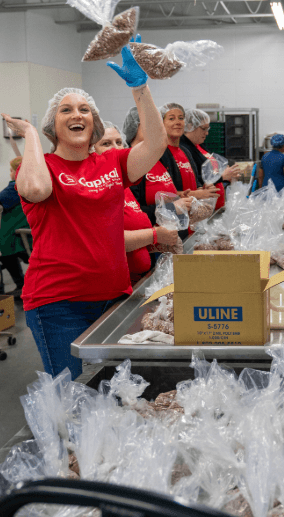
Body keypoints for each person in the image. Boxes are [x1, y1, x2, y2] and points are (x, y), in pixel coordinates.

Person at [1, 46, 167, 379]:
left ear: (95, 124)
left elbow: (155, 144)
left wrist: (141, 89)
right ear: (53, 126)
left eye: (84, 110)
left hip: (114, 298)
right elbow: (36, 191)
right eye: (65, 110)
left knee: (113, 392)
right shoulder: (42, 167)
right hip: (58, 304)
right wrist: (31, 133)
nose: (77, 114)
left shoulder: (112, 162)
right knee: (74, 397)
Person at [94, 122, 179, 285]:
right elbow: (110, 239)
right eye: (106, 143)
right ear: (91, 150)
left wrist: (157, 244)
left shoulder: (122, 185)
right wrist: (155, 235)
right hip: (112, 285)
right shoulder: (96, 189)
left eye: (119, 142)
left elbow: (134, 227)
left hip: (138, 280)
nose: (116, 148)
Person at [123, 106, 195, 229]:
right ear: (135, 128)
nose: (156, 128)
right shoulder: (130, 163)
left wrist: (178, 195)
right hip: (151, 237)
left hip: (173, 232)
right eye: (149, 123)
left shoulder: (161, 156)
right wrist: (171, 208)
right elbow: (132, 212)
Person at [180, 109, 239, 210]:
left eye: (208, 129)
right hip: (198, 205)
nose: (207, 133)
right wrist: (221, 176)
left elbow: (208, 170)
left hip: (213, 204)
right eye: (203, 129)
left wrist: (226, 173)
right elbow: (193, 178)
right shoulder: (184, 149)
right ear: (190, 127)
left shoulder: (199, 145)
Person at [0, 157, 31, 297]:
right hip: (28, 233)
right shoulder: (32, 184)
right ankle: (22, 285)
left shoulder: (14, 187)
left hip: (15, 237)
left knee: (5, 255)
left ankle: (21, 284)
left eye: (11, 170)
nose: (10, 172)